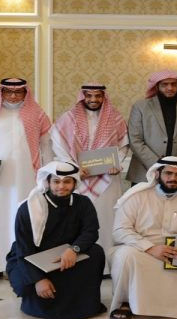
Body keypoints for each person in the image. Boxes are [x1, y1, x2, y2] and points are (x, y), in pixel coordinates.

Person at [0, 78, 53, 284]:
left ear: (26, 93)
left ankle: (21, 265)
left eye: (18, 92)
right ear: (2, 93)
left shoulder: (37, 114)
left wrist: (48, 174)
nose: (13, 96)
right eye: (8, 92)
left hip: (27, 177)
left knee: (23, 219)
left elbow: (46, 146)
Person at [109, 157, 177, 319]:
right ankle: (124, 303)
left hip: (175, 255)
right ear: (157, 174)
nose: (173, 178)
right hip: (140, 251)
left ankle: (169, 306)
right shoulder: (136, 197)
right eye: (168, 173)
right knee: (126, 255)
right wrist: (150, 248)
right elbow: (120, 231)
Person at [6, 161, 106, 319]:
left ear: (74, 183)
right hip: (33, 257)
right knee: (27, 281)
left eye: (67, 181)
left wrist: (74, 249)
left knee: (96, 252)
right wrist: (38, 279)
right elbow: (24, 248)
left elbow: (91, 232)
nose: (61, 186)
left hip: (68, 255)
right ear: (48, 182)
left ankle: (84, 305)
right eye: (56, 181)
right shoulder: (29, 208)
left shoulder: (83, 203)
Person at [52, 82, 129, 276]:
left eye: (98, 96)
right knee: (80, 221)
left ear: (103, 97)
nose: (93, 99)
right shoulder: (68, 118)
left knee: (107, 219)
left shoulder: (115, 118)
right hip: (78, 179)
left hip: (108, 180)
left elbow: (123, 145)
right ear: (82, 96)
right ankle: (79, 264)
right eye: (89, 96)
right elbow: (59, 144)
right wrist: (74, 169)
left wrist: (116, 163)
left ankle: (108, 267)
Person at [126, 70, 177, 189]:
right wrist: (158, 165)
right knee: (144, 202)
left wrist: (176, 164)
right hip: (145, 171)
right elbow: (135, 140)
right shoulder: (141, 106)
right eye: (165, 84)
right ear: (157, 86)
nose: (170, 88)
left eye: (173, 84)